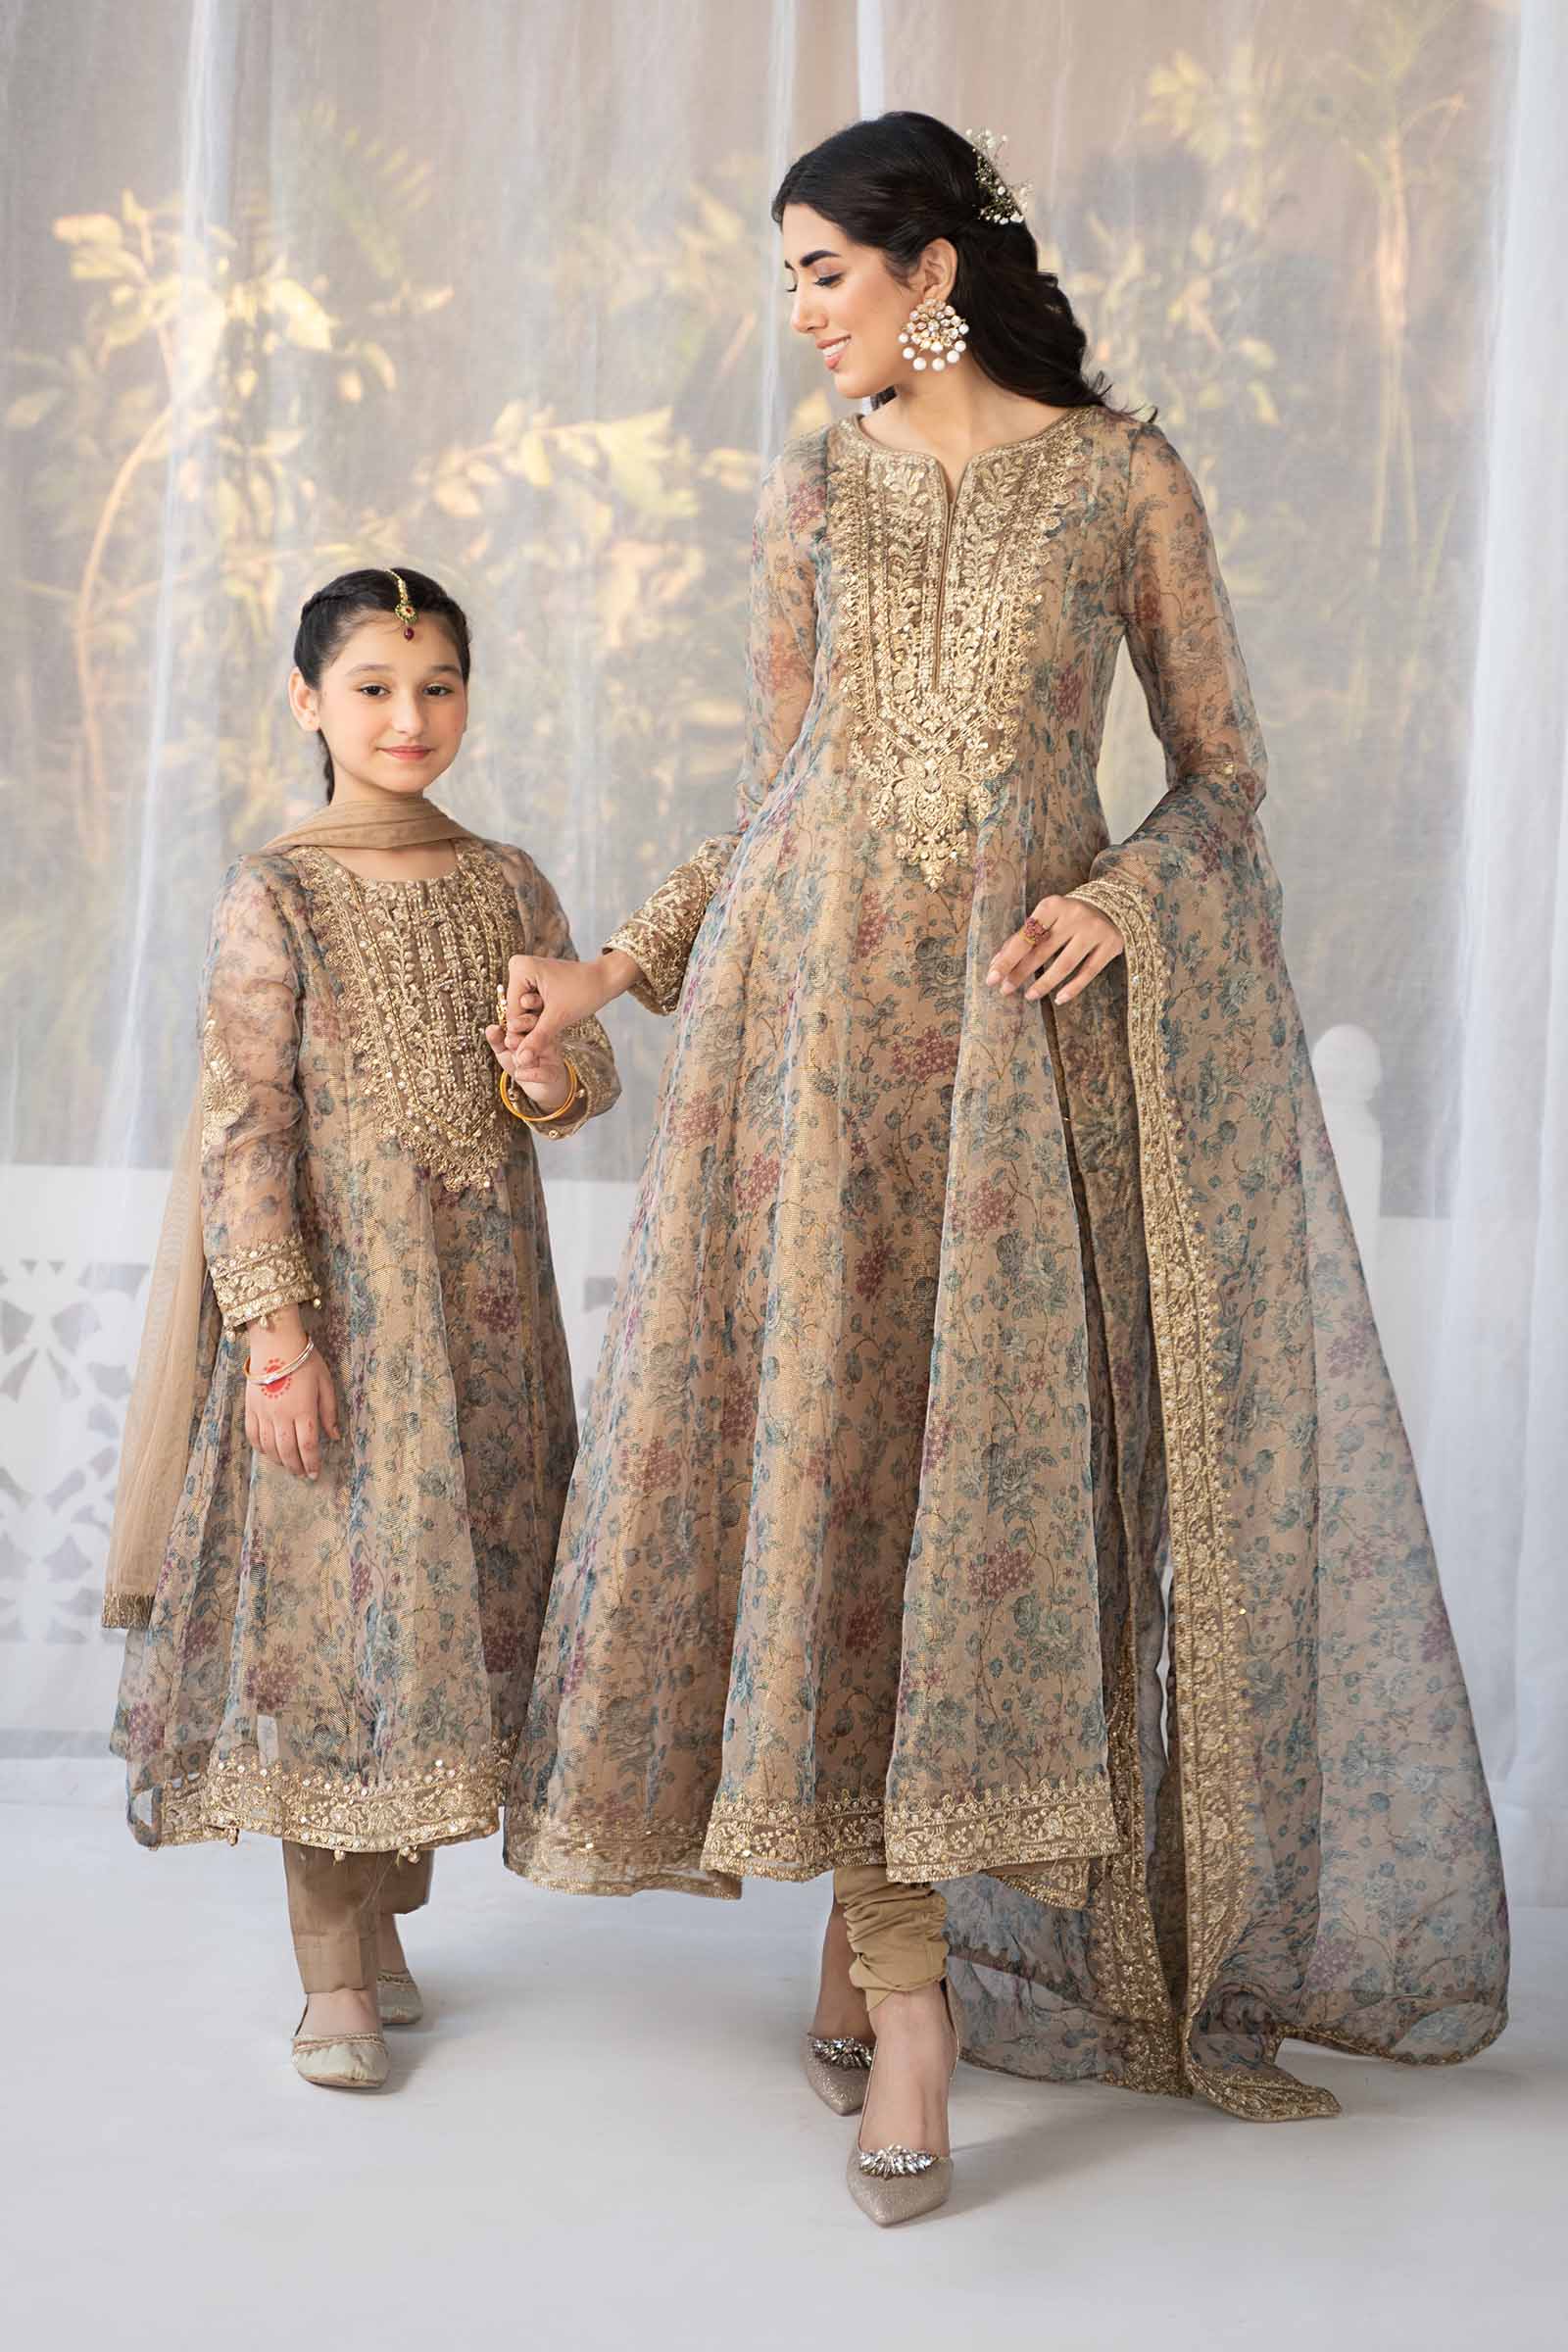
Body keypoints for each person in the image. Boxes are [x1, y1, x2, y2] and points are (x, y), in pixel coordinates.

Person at [494, 114, 1508, 2221]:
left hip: (1006, 1064)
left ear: (928, 267)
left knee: (969, 1497)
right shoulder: (813, 489)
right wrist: (618, 967)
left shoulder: (1123, 479)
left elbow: (1224, 781)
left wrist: (1123, 896)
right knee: (836, 1468)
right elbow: (781, 788)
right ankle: (898, 1985)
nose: (801, 314)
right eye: (788, 277)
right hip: (805, 1052)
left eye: (821, 271)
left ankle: (899, 1971)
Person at [106, 565, 619, 2089]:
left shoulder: (509, 883)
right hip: (334, 1323)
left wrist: (547, 1071)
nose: (410, 717)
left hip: (487, 1327)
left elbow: (577, 1080)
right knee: (331, 1633)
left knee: (444, 1628)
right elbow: (243, 1124)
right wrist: (275, 1333)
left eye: (438, 685)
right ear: (309, 702)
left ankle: (385, 1925)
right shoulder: (277, 892)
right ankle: (331, 1972)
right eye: (376, 688)